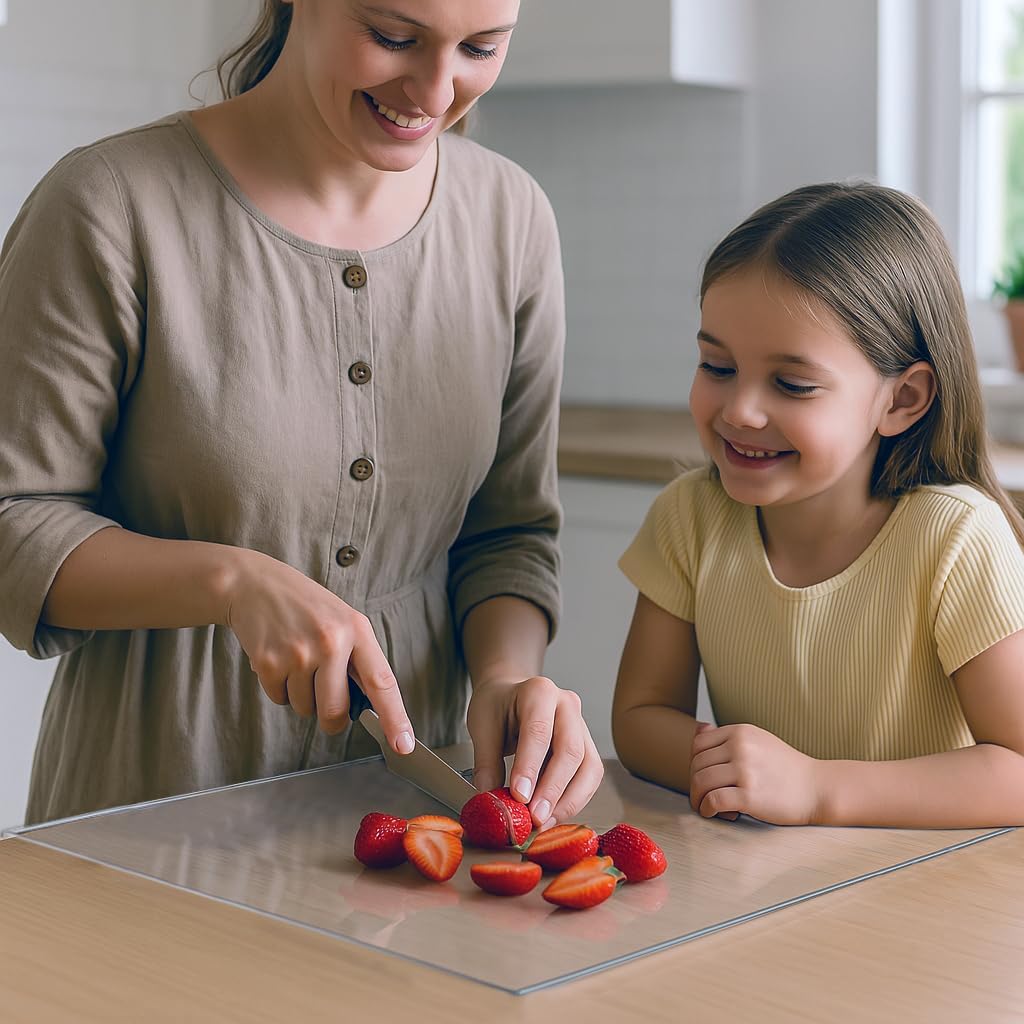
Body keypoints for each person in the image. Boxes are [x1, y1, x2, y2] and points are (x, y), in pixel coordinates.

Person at [0, 0, 604, 826]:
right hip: (151, 802)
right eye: (393, 37)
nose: (435, 88)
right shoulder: (109, 204)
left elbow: (509, 534)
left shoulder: (513, 220)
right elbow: (14, 523)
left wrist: (506, 679)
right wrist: (231, 582)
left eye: (481, 47)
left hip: (408, 822)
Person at [612, 182, 1024, 828]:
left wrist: (814, 789)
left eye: (792, 384)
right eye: (716, 366)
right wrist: (743, 776)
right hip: (770, 891)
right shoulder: (687, 519)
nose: (741, 410)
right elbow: (638, 720)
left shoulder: (957, 540)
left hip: (933, 905)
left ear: (902, 400)